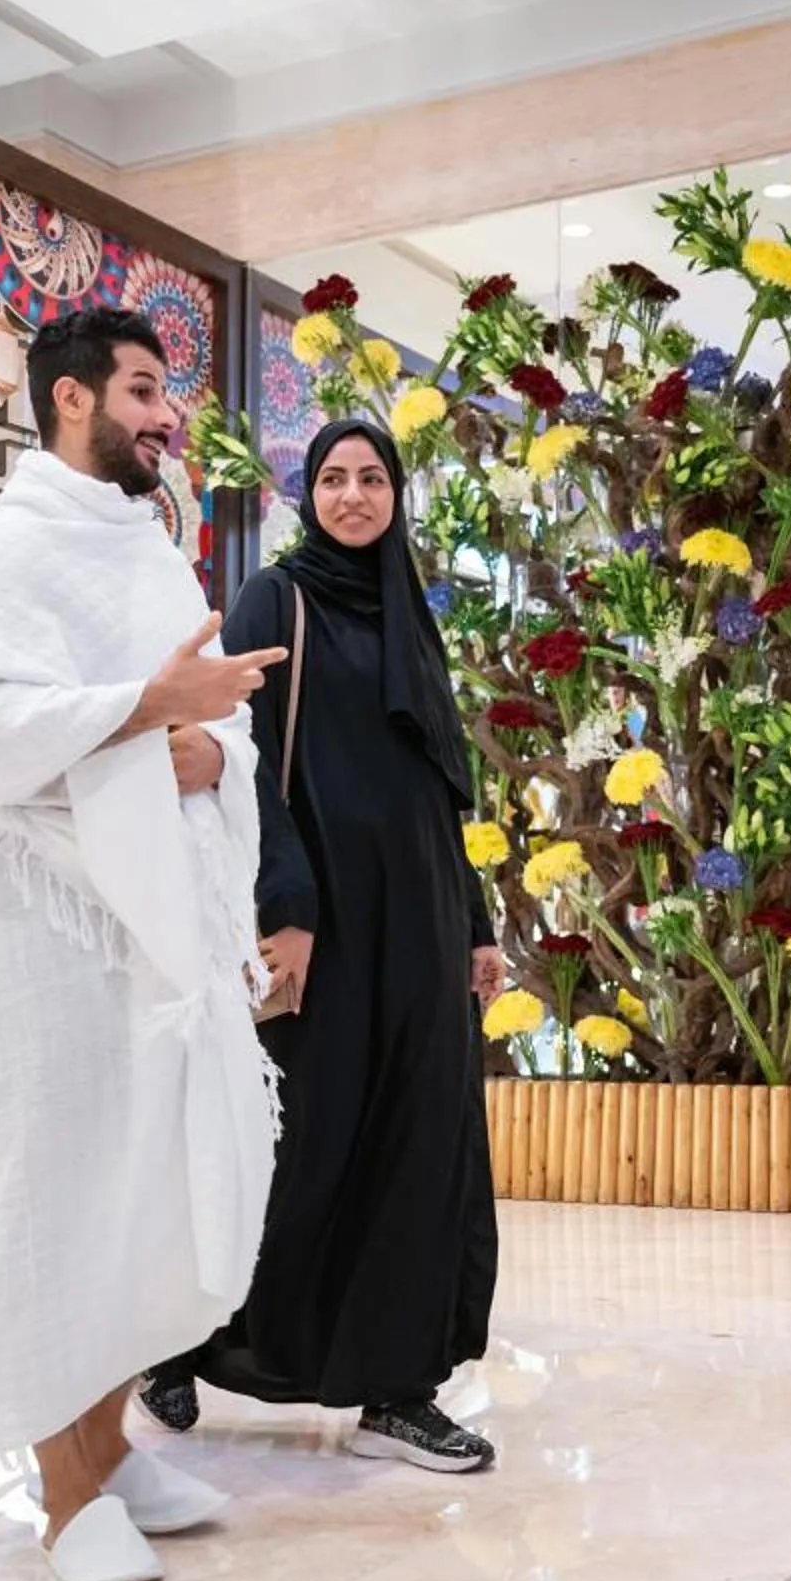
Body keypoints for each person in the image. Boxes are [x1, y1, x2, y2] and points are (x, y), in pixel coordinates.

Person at [0, 306, 289, 1581]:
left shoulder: (147, 553)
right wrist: (149, 719)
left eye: (163, 392)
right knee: (50, 1196)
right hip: (43, 929)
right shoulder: (5, 553)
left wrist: (195, 745)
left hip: (155, 929)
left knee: (145, 1186)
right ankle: (63, 1496)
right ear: (71, 399)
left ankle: (114, 1449)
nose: (162, 414)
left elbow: (210, 724)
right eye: (140, 389)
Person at [143, 418, 502, 1473]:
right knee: (298, 1148)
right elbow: (251, 762)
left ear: (397, 494)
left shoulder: (411, 614)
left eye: (373, 477)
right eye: (335, 478)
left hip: (422, 917)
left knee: (419, 1139)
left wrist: (473, 923)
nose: (355, 495)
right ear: (310, 494)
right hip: (325, 916)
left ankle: (398, 1385)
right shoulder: (278, 597)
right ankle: (182, 1337)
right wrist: (282, 904)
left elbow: (442, 785)